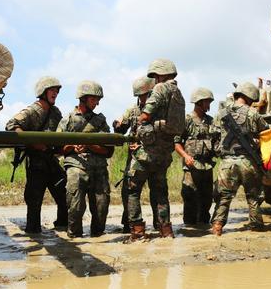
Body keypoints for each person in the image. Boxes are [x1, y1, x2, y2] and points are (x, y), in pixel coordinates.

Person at [127, 58, 185, 240]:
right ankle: (166, 231)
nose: (154, 80)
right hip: (164, 154)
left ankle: (137, 232)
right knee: (161, 194)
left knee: (133, 190)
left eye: (155, 76)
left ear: (159, 74)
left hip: (146, 154)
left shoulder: (161, 89)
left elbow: (146, 114)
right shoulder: (178, 92)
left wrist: (139, 122)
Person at [5, 77, 67, 234]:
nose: (55, 93)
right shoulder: (32, 111)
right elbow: (11, 126)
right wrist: (34, 143)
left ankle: (63, 227)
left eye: (57, 91)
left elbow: (62, 134)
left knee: (65, 195)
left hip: (52, 162)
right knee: (34, 202)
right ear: (43, 92)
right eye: (52, 90)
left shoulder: (55, 112)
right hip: (36, 164)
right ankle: (33, 233)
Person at [211, 82, 270, 236]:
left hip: (227, 164)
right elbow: (266, 132)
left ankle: (217, 227)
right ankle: (256, 228)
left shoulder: (221, 113)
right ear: (249, 97)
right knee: (253, 197)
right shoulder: (253, 113)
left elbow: (214, 136)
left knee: (223, 197)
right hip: (248, 162)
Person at [58, 80, 113, 238]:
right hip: (76, 167)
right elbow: (57, 148)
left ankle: (98, 239)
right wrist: (72, 147)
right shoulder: (68, 119)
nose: (97, 103)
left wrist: (90, 146)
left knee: (101, 207)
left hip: (99, 169)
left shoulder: (100, 122)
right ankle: (75, 238)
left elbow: (109, 151)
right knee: (75, 206)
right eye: (93, 99)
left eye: (98, 100)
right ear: (83, 98)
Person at [113, 76, 159, 233]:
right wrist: (117, 125)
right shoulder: (132, 111)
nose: (143, 99)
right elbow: (122, 128)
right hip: (134, 159)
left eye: (145, 95)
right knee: (129, 191)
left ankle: (160, 226)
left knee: (158, 193)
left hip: (154, 158)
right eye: (140, 96)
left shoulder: (159, 112)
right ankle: (131, 226)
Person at [174, 87, 219, 227]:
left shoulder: (211, 121)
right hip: (191, 166)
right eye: (207, 102)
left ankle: (204, 225)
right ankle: (189, 226)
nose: (209, 105)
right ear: (199, 102)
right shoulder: (186, 120)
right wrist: (185, 156)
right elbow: (176, 142)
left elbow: (217, 142)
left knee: (207, 198)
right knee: (190, 196)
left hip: (207, 166)